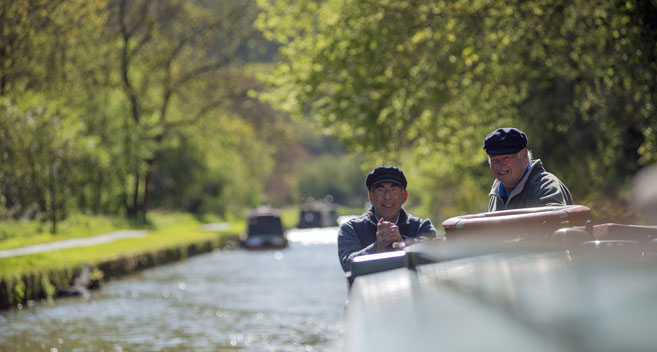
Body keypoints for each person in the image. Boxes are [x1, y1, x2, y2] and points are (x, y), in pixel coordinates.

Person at [337, 166, 437, 273]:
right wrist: (377, 248)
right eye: (380, 190)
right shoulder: (350, 229)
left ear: (404, 196)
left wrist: (401, 242)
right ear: (371, 197)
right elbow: (348, 265)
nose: (387, 197)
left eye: (393, 190)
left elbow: (433, 257)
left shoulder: (422, 226)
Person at [483, 127, 573, 212]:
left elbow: (552, 223)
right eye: (494, 160)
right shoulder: (496, 194)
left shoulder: (546, 186)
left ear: (524, 156)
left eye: (506, 158)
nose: (499, 166)